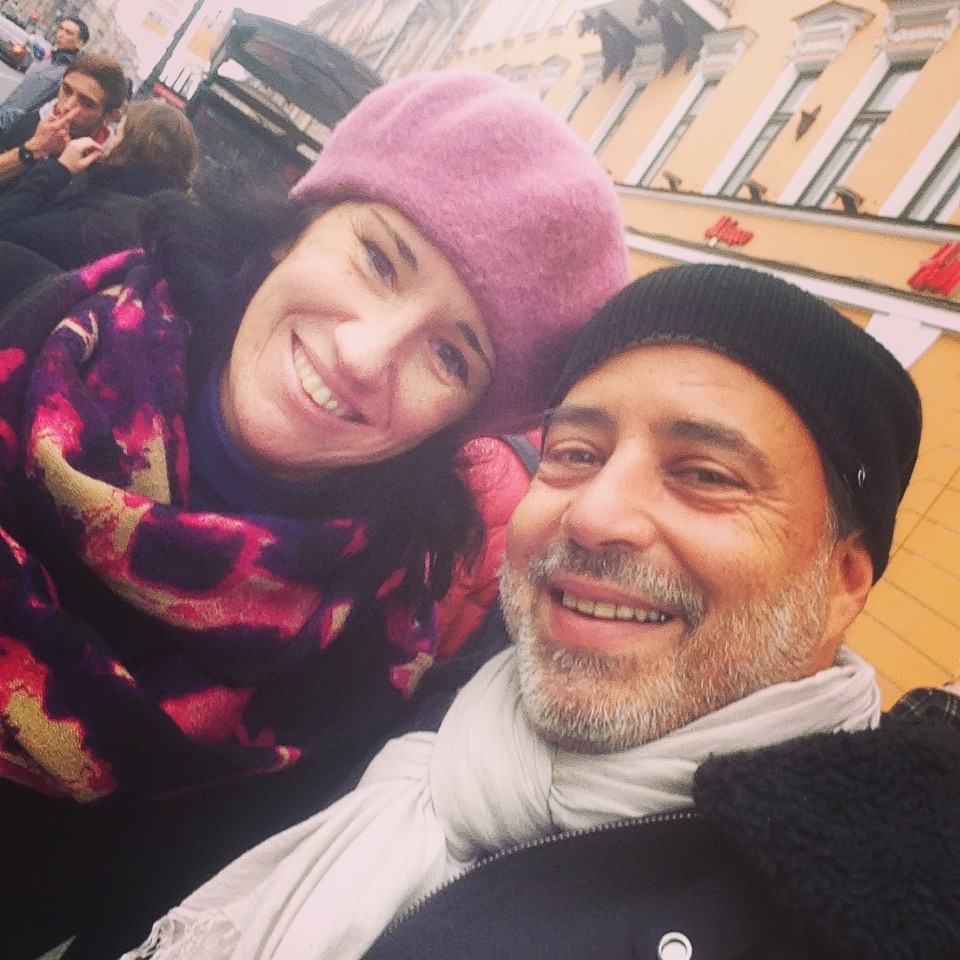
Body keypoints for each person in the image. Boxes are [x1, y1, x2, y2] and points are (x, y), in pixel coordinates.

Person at [126, 264, 959, 960]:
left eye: (705, 475)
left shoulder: (853, 919)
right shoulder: (414, 708)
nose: (594, 515)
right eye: (574, 453)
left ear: (843, 582)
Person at [0, 70, 628, 959]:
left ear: (461, 422)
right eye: (379, 260)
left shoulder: (356, 678)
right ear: (295, 225)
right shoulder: (17, 307)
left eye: (451, 356)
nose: (365, 355)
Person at [0, 98, 198, 268]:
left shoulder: (100, 220)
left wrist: (59, 169)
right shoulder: (152, 217)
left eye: (117, 133)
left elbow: (7, 230)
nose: (110, 140)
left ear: (128, 147)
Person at [0, 51, 125, 189]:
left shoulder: (103, 167)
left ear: (109, 114)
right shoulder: (27, 121)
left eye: (87, 104)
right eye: (66, 90)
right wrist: (32, 151)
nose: (67, 106)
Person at [0, 16, 88, 130]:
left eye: (68, 33)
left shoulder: (71, 74)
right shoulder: (49, 59)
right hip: (5, 115)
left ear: (80, 43)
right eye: (61, 29)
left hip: (17, 130)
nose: (61, 34)